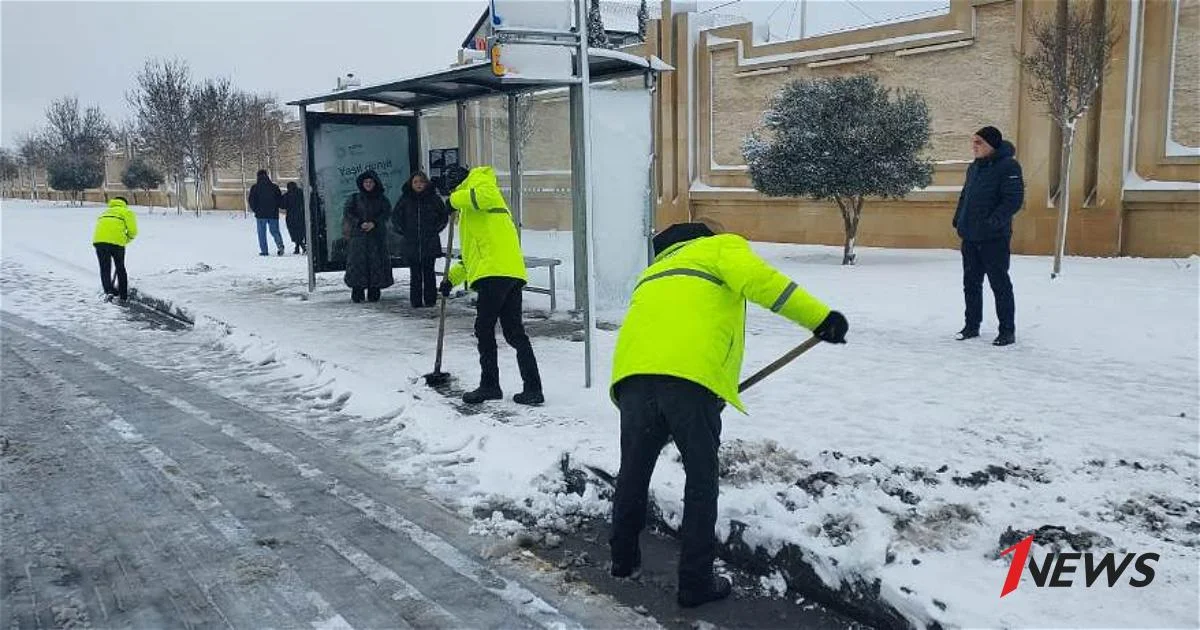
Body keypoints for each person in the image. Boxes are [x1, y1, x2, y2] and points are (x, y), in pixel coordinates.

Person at [607, 221, 848, 608]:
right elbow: (764, 283)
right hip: (690, 381)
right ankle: (695, 582)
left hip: (633, 380)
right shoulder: (719, 249)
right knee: (701, 482)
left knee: (633, 472)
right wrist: (821, 319)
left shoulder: (652, 274)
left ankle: (622, 559)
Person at [439, 164, 543, 406]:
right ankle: (533, 388)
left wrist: (453, 199)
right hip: (507, 272)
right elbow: (470, 257)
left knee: (484, 329)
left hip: (495, 273)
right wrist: (450, 281)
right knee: (514, 333)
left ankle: (490, 385)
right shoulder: (470, 213)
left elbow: (483, 197)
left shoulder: (482, 182)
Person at [952, 125, 1025, 346]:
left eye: (979, 142)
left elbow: (1013, 200)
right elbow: (965, 196)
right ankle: (971, 326)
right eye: (973, 142)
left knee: (999, 284)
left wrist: (993, 222)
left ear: (991, 145)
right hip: (970, 236)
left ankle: (1006, 331)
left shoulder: (1009, 166)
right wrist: (958, 218)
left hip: (994, 239)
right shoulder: (974, 168)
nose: (974, 146)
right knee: (971, 284)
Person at [393, 171, 449, 308]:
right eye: (415, 182)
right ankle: (416, 301)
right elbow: (396, 217)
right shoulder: (405, 198)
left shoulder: (433, 198)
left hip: (429, 241)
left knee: (429, 271)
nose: (418, 185)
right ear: (411, 184)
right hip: (411, 242)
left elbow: (443, 216)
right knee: (415, 273)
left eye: (421, 182)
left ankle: (430, 299)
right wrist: (403, 230)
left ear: (426, 183)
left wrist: (435, 229)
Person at [343, 170, 394, 303]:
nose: (368, 184)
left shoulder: (382, 199)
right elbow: (348, 212)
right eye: (366, 182)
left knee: (376, 264)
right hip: (358, 239)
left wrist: (374, 223)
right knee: (357, 265)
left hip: (376, 238)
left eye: (371, 182)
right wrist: (359, 223)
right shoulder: (354, 198)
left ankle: (374, 291)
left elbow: (386, 213)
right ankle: (357, 291)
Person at [92, 196, 139, 303]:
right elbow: (133, 231)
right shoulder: (127, 212)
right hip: (117, 243)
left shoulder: (105, 212)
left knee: (105, 268)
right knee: (120, 267)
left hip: (99, 242)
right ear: (125, 203)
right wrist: (125, 240)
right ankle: (123, 295)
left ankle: (109, 291)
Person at [248, 169, 285, 256]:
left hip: (260, 215)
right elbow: (279, 200)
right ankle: (280, 246)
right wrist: (275, 207)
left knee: (262, 233)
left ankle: (264, 251)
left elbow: (251, 200)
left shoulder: (255, 187)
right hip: (273, 214)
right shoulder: (274, 187)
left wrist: (256, 210)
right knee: (275, 231)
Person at [282, 181, 306, 254]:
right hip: (301, 215)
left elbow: (282, 205)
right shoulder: (301, 193)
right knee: (300, 232)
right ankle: (298, 247)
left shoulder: (287, 195)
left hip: (291, 216)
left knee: (294, 232)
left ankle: (301, 246)